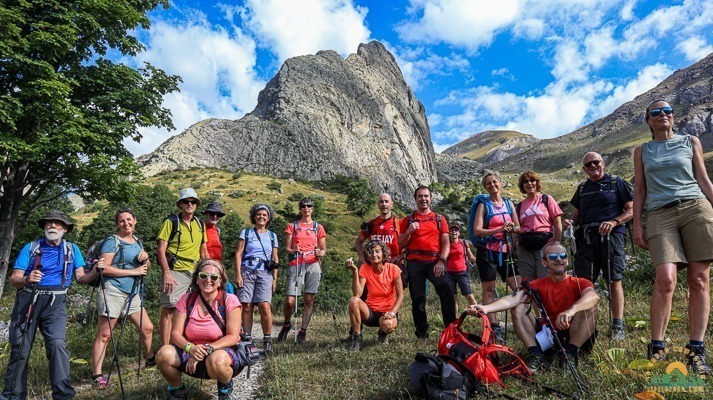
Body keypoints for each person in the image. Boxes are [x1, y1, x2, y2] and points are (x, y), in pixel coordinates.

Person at [633, 99, 713, 373]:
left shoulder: (690, 141)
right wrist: (637, 224)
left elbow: (703, 179)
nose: (663, 115)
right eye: (656, 112)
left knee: (699, 278)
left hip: (696, 208)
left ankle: (697, 349)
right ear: (649, 121)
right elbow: (640, 191)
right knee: (666, 279)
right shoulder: (641, 151)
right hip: (659, 214)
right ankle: (656, 346)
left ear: (673, 117)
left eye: (667, 111)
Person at [1, 210, 94, 400]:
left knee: (58, 345)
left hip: (56, 303)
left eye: (57, 223)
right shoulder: (31, 248)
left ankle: (63, 395)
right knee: (20, 349)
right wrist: (27, 278)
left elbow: (81, 277)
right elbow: (14, 279)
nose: (52, 226)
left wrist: (97, 271)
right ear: (44, 227)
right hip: (28, 300)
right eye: (49, 223)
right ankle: (12, 396)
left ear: (65, 229)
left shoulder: (72, 250)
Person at [468, 242, 599, 373]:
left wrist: (571, 311)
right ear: (544, 263)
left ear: (567, 260)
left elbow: (593, 296)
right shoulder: (537, 285)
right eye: (553, 256)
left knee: (589, 307)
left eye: (563, 255)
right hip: (547, 335)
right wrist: (486, 308)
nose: (559, 259)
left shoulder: (579, 282)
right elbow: (515, 298)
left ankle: (570, 355)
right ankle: (536, 355)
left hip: (573, 334)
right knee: (518, 308)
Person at [566, 152, 632, 341]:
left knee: (614, 279)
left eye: (596, 162)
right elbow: (577, 214)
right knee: (584, 283)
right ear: (584, 169)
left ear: (603, 163)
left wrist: (614, 222)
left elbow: (632, 209)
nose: (593, 166)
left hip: (612, 237)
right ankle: (586, 324)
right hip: (586, 239)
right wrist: (570, 221)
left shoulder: (616, 182)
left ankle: (617, 325)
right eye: (588, 164)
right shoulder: (582, 188)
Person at [155, 259, 242, 400]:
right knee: (163, 354)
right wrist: (190, 348)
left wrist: (204, 350)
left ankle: (225, 389)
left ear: (220, 281)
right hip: (191, 350)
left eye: (214, 277)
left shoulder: (229, 300)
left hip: (220, 351)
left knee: (218, 360)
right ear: (196, 279)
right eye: (203, 276)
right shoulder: (186, 299)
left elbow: (232, 337)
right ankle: (177, 391)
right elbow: (175, 334)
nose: (208, 280)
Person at [90, 208, 155, 389]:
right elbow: (104, 268)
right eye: (121, 221)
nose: (126, 223)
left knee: (147, 328)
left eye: (129, 219)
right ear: (117, 224)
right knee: (105, 334)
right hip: (113, 290)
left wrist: (146, 258)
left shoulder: (137, 241)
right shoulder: (112, 241)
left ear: (135, 220)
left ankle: (150, 360)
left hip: (132, 293)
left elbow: (146, 268)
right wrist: (132, 271)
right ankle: (97, 376)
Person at [397, 185, 454, 339]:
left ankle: (451, 330)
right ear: (415, 199)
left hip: (435, 262)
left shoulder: (439, 219)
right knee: (417, 298)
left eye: (426, 196)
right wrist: (409, 230)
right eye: (420, 196)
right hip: (414, 263)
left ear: (430, 198)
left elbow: (446, 243)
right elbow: (400, 244)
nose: (423, 199)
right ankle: (422, 333)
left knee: (446, 289)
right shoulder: (408, 220)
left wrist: (442, 261)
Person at [471, 171, 521, 341]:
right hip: (487, 251)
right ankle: (494, 327)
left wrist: (511, 232)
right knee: (489, 290)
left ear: (500, 183)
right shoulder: (483, 205)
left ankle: (523, 319)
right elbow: (477, 231)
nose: (492, 185)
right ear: (485, 187)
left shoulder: (509, 204)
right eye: (488, 184)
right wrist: (499, 229)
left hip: (506, 250)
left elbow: (518, 228)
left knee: (519, 288)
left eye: (494, 182)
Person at [156, 188, 209, 346]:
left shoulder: (200, 224)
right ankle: (166, 349)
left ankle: (185, 343)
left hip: (196, 270)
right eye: (186, 201)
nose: (190, 204)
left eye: (193, 202)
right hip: (176, 270)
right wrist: (167, 273)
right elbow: (161, 250)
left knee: (195, 309)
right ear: (180, 204)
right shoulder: (171, 222)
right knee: (169, 309)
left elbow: (204, 250)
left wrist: (211, 269)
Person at [277, 198, 327, 344]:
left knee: (309, 299)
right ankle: (287, 324)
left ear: (312, 208)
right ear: (300, 209)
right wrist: (294, 250)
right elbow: (287, 249)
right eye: (303, 206)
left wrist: (320, 253)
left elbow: (324, 249)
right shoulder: (292, 226)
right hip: (297, 262)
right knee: (290, 301)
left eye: (309, 206)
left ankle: (303, 331)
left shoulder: (318, 227)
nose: (306, 208)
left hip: (313, 263)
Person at [235, 204, 279, 354]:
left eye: (264, 215)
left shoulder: (272, 236)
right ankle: (247, 340)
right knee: (246, 306)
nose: (261, 217)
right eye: (259, 214)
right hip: (247, 271)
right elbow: (238, 254)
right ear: (254, 217)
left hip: (265, 273)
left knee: (264, 306)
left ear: (268, 218)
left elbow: (275, 258)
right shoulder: (246, 233)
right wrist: (238, 274)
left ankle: (267, 340)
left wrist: (274, 280)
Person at [345, 239, 404, 351]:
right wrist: (354, 272)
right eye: (370, 252)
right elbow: (357, 293)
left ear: (383, 253)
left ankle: (383, 334)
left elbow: (401, 295)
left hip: (387, 312)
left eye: (377, 251)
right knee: (353, 301)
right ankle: (356, 338)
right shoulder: (365, 268)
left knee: (388, 325)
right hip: (370, 312)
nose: (374, 255)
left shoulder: (393, 269)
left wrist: (392, 313)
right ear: (367, 256)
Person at [516, 170, 563, 280]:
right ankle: (532, 298)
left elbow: (557, 223)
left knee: (545, 278)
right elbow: (517, 228)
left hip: (545, 245)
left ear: (537, 182)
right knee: (528, 282)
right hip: (524, 247)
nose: (529, 183)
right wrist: (514, 246)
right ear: (522, 185)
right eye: (525, 181)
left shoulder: (547, 199)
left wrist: (557, 243)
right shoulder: (520, 206)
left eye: (532, 180)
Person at [355, 193, 402, 266]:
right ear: (378, 204)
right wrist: (362, 258)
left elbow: (410, 244)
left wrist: (400, 257)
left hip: (394, 266)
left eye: (386, 201)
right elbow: (358, 241)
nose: (384, 204)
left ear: (392, 204)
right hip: (375, 267)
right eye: (381, 202)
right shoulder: (372, 224)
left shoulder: (399, 223)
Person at [445, 225, 477, 313]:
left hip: (462, 272)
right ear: (449, 233)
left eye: (456, 230)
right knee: (453, 297)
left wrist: (481, 262)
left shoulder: (463, 243)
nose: (454, 232)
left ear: (459, 233)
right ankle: (454, 320)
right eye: (452, 230)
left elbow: (471, 257)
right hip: (449, 273)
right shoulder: (446, 244)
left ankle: (478, 314)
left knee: (469, 296)